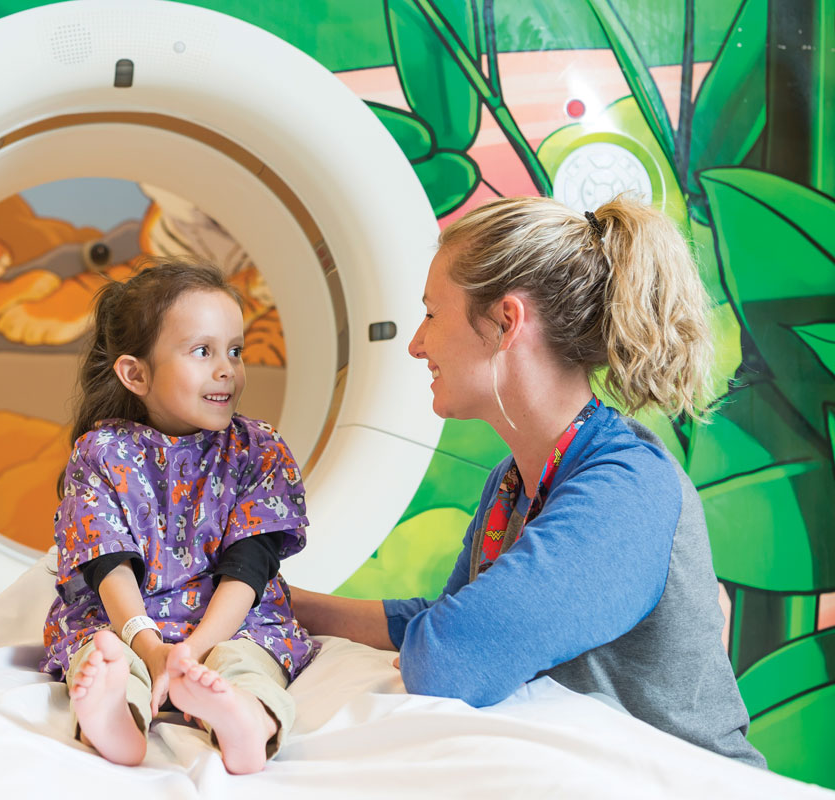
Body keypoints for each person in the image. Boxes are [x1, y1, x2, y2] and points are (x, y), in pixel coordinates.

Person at [289, 195, 765, 767]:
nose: (417, 344)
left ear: (506, 322)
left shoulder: (625, 490)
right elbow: (447, 619)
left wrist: (444, 640)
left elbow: (451, 660)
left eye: (432, 314)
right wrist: (283, 602)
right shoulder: (513, 482)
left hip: (681, 780)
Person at [39, 259, 317, 774]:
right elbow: (107, 565)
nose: (226, 369)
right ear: (136, 373)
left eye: (235, 350)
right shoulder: (101, 453)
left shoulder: (259, 451)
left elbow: (249, 567)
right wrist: (149, 647)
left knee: (247, 663)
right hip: (125, 621)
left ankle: (247, 721)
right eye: (202, 351)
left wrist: (193, 649)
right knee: (104, 659)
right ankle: (114, 719)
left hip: (232, 622)